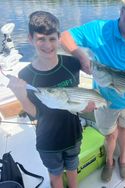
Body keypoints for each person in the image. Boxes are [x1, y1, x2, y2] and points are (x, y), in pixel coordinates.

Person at [60, 0, 125, 182]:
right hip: (103, 99)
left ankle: (123, 160)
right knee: (110, 135)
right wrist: (80, 55)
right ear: (121, 11)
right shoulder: (99, 29)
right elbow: (64, 37)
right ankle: (109, 161)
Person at [7, 11, 95, 188]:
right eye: (41, 39)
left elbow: (78, 95)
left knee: (72, 169)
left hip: (73, 134)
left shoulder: (71, 64)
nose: (47, 45)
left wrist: (85, 106)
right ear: (30, 39)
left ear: (59, 38)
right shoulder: (26, 75)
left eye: (52, 39)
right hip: (48, 141)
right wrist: (22, 98)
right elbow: (36, 114)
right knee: (55, 176)